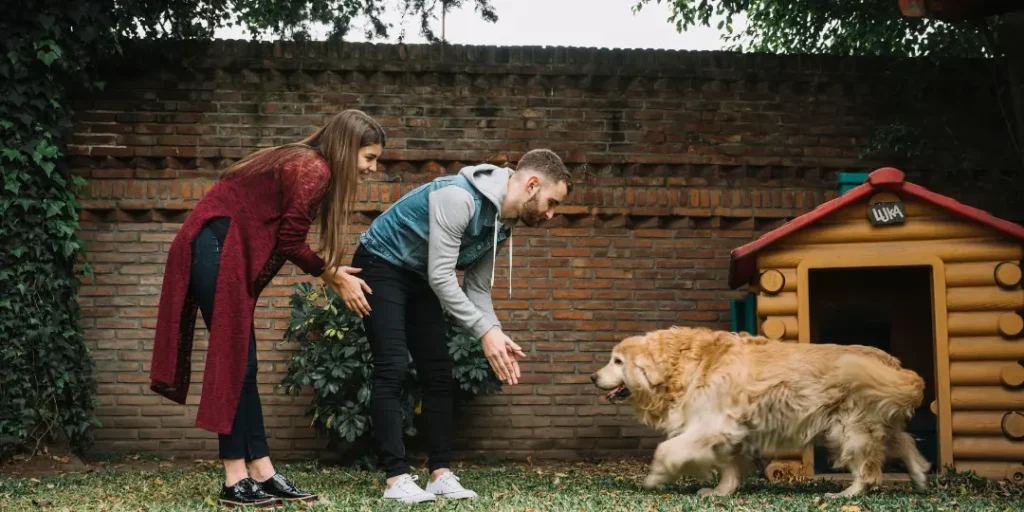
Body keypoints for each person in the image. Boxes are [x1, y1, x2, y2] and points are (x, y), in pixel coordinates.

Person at [149, 110, 385, 508]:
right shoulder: (314, 168)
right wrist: (333, 276)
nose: (373, 169)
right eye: (369, 158)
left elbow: (281, 233)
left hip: (224, 250)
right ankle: (234, 477)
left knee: (247, 365)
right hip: (217, 249)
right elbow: (291, 242)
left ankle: (262, 470)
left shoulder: (303, 161)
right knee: (236, 360)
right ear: (347, 151)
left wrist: (330, 271)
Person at [348, 148, 573, 503]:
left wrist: (494, 332)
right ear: (532, 184)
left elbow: (477, 287)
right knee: (392, 365)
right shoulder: (459, 197)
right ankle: (396, 478)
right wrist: (484, 333)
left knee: (438, 371)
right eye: (551, 202)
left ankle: (439, 474)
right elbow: (442, 276)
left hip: (419, 275)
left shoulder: (503, 222)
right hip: (380, 263)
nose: (550, 213)